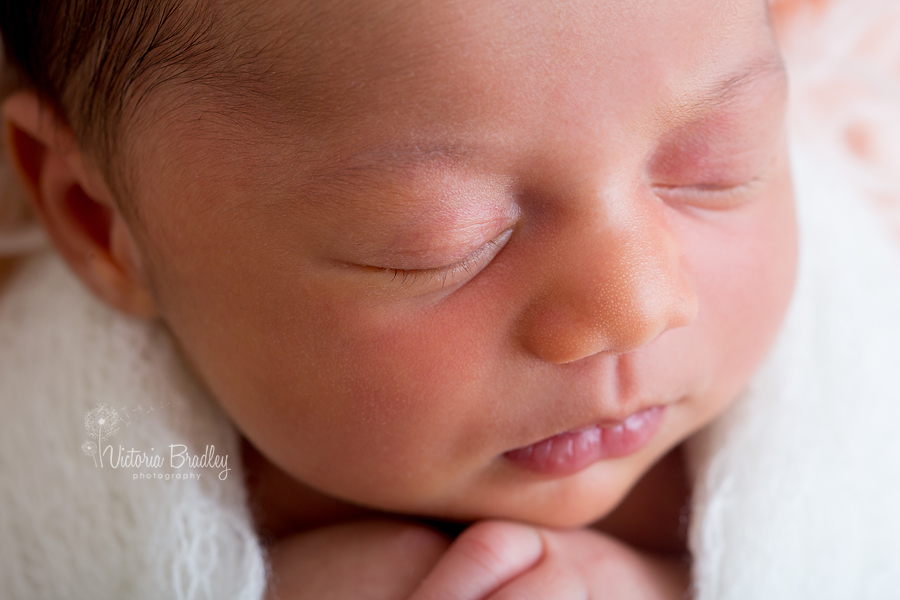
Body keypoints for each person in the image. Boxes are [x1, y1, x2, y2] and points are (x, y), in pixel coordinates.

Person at [1, 0, 899, 598]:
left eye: (716, 166)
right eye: (442, 242)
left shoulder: (845, 412)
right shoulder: (109, 445)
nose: (636, 304)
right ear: (100, 221)